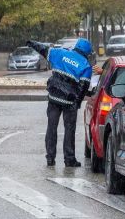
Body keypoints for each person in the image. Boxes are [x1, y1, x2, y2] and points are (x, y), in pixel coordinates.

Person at [26, 38, 93, 167]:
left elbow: (43, 49)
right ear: (87, 52)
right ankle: (69, 159)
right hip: (70, 102)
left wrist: (31, 42)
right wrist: (77, 103)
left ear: (76, 46)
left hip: (54, 98)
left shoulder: (60, 53)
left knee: (51, 128)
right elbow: (83, 88)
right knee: (69, 130)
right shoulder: (85, 65)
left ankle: (50, 158)